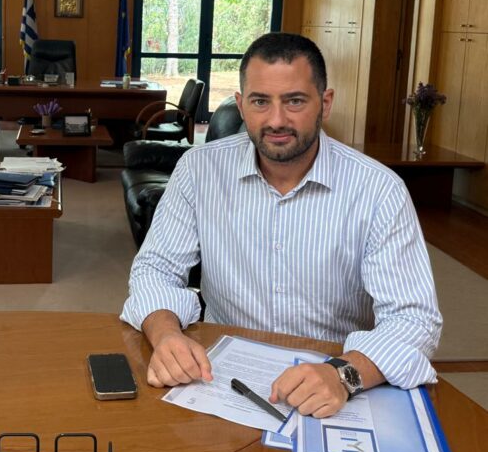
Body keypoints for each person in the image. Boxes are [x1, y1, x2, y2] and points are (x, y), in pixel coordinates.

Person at [121, 32, 442, 419]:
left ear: (325, 103)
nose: (276, 120)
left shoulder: (379, 190)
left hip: (331, 382)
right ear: (241, 104)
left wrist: (345, 374)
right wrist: (166, 334)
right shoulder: (199, 170)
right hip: (221, 377)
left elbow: (413, 317)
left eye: (295, 101)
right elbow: (156, 268)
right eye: (260, 101)